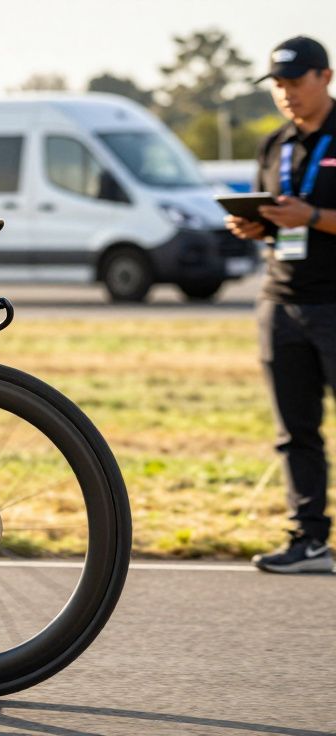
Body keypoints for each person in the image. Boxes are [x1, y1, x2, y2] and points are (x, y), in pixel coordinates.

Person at [225, 36, 336, 573]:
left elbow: (307, 215)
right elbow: (273, 220)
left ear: (326, 76)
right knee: (295, 433)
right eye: (278, 86)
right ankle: (308, 540)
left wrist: (313, 217)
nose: (286, 94)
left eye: (295, 82)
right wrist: (254, 225)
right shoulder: (274, 145)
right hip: (281, 301)